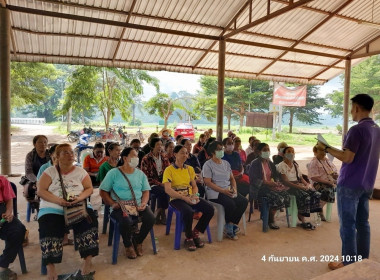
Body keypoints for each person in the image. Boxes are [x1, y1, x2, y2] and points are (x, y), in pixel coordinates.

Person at [316, 94, 380, 270]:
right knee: (363, 223)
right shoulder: (376, 129)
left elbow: (347, 158)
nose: (351, 112)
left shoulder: (356, 130)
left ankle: (348, 263)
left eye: (352, 108)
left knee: (348, 226)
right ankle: (362, 260)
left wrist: (326, 148)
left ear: (357, 108)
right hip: (366, 183)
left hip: (350, 183)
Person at [37, 144, 98, 280]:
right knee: (48, 226)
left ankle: (87, 263)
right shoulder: (50, 172)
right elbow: (41, 191)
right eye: (65, 152)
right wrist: (58, 201)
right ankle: (50, 268)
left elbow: (89, 189)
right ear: (57, 157)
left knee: (90, 222)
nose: (70, 154)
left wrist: (79, 198)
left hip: (78, 205)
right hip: (52, 206)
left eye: (71, 152)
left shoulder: (81, 172)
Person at [100, 147, 155, 259]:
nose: (137, 158)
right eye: (134, 156)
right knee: (125, 221)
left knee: (150, 218)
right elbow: (103, 191)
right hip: (120, 206)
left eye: (137, 156)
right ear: (125, 158)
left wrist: (144, 203)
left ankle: (138, 241)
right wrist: (112, 204)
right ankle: (128, 245)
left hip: (137, 204)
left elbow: (145, 191)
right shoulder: (113, 173)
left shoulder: (140, 174)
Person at [163, 145, 214, 251]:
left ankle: (196, 232)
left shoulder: (189, 169)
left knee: (210, 209)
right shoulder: (169, 170)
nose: (185, 155)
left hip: (190, 196)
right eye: (182, 152)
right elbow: (168, 190)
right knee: (188, 211)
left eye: (186, 153)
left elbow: (194, 186)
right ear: (175, 154)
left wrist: (195, 195)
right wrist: (183, 198)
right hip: (176, 199)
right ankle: (188, 237)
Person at [202, 141, 248, 240]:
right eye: (219, 149)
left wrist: (234, 189)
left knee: (243, 201)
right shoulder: (208, 165)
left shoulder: (226, 163)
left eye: (222, 149)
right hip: (214, 192)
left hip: (227, 189)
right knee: (230, 204)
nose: (221, 151)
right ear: (213, 152)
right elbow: (208, 182)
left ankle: (230, 225)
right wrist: (223, 191)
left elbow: (232, 179)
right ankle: (229, 228)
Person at [276, 146, 321, 230]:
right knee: (305, 196)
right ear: (284, 154)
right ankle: (302, 219)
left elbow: (301, 178)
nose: (291, 153)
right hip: (288, 187)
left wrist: (307, 185)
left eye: (293, 152)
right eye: (289, 151)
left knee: (316, 194)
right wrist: (300, 187)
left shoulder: (295, 165)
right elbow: (285, 182)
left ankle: (310, 215)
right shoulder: (281, 166)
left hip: (298, 185)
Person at [249, 143, 290, 229]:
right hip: (258, 189)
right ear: (259, 152)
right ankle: (270, 219)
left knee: (285, 195)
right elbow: (253, 180)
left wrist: (276, 182)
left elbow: (275, 176)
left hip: (270, 187)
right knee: (277, 198)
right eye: (264, 150)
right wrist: (267, 183)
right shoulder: (255, 163)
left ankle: (269, 215)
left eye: (268, 149)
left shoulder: (269, 163)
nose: (267, 151)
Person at [0, 176, 26, 280]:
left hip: (1, 212)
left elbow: (9, 200)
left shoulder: (2, 180)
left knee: (18, 230)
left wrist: (8, 213)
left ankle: (3, 265)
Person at [141, 138, 170, 225]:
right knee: (163, 191)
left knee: (168, 190)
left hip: (163, 181)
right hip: (151, 183)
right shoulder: (146, 159)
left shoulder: (164, 156)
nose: (160, 147)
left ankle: (159, 212)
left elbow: (168, 171)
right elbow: (146, 177)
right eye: (158, 145)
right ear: (152, 146)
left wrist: (166, 182)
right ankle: (161, 213)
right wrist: (160, 184)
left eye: (161, 145)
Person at [307, 145, 338, 221]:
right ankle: (319, 208)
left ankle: (346, 211)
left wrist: (335, 175)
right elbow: (314, 177)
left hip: (330, 181)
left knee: (346, 188)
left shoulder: (327, 161)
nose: (323, 154)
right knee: (327, 190)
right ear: (315, 152)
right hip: (318, 183)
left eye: (324, 153)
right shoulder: (314, 162)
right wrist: (327, 182)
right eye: (321, 153)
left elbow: (333, 171)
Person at [24, 135, 50, 203]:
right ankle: (38, 207)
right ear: (34, 144)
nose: (43, 144)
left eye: (45, 142)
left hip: (49, 179)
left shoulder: (51, 154)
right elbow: (29, 172)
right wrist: (37, 181)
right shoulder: (30, 155)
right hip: (33, 179)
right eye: (40, 142)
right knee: (31, 190)